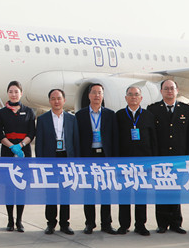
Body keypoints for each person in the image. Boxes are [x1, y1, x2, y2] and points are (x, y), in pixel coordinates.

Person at [146, 79, 189, 234]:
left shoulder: (186, 109)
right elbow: (151, 135)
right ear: (161, 91)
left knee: (176, 191)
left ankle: (176, 223)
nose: (169, 91)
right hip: (161, 157)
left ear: (177, 90)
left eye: (172, 88)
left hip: (179, 158)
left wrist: (188, 157)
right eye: (166, 89)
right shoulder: (153, 109)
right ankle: (162, 223)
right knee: (161, 190)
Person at [75, 83, 119, 234]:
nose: (97, 96)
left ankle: (106, 224)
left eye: (99, 93)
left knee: (105, 191)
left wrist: (114, 160)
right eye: (94, 92)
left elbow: (114, 138)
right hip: (88, 156)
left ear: (103, 95)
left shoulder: (110, 115)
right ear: (89, 95)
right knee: (89, 191)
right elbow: (77, 139)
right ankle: (90, 223)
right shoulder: (80, 115)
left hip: (105, 157)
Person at [36, 89, 79, 235]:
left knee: (65, 192)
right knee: (51, 192)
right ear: (49, 101)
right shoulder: (43, 119)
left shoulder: (72, 119)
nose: (56, 101)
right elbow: (39, 143)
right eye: (53, 98)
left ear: (64, 100)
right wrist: (41, 164)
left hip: (66, 158)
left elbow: (75, 141)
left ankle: (65, 223)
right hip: (50, 159)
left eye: (59, 98)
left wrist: (76, 162)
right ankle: (51, 223)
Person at [115, 86, 157, 236]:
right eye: (130, 94)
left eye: (136, 95)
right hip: (124, 162)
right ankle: (124, 225)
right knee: (124, 195)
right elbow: (115, 139)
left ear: (141, 98)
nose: (133, 97)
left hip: (143, 162)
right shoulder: (119, 115)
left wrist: (152, 162)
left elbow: (153, 140)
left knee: (141, 195)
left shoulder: (148, 116)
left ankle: (140, 225)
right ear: (126, 98)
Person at [0, 81, 36, 232]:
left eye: (16, 91)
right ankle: (10, 220)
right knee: (8, 187)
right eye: (11, 92)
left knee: (21, 187)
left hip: (23, 152)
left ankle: (19, 220)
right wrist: (11, 146)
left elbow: (32, 132)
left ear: (21, 93)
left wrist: (20, 146)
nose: (13, 94)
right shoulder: (1, 113)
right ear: (7, 93)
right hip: (7, 151)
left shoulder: (29, 111)